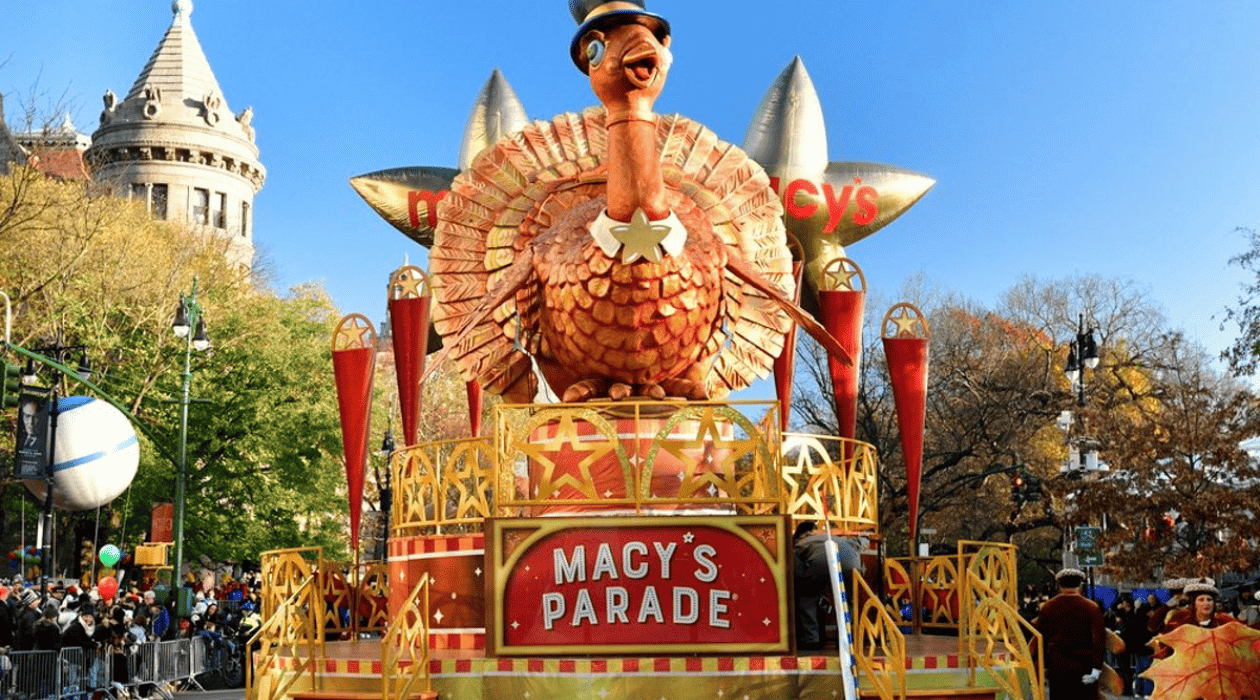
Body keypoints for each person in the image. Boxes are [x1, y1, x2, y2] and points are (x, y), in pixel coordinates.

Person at [1034, 568, 1105, 700]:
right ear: (1080, 585)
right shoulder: (1091, 607)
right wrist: (1096, 669)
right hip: (1085, 667)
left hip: (1058, 668)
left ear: (1059, 585)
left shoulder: (1048, 607)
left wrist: (1041, 665)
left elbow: (1040, 638)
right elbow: (1099, 641)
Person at [792, 521, 862, 652]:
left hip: (820, 563)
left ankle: (811, 640)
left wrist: (804, 585)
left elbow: (798, 571)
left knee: (807, 598)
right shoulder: (834, 537)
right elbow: (860, 542)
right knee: (846, 602)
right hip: (852, 562)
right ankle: (845, 639)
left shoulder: (799, 543)